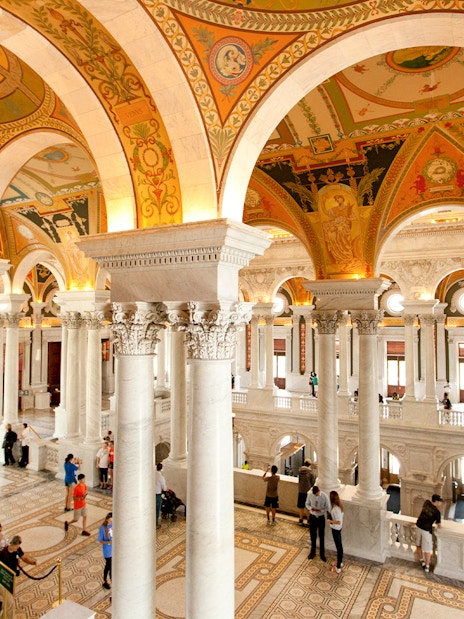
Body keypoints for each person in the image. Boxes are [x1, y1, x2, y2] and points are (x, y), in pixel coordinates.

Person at [0, 534, 37, 618]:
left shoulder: (17, 550)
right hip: (3, 581)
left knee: (8, 602)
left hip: (10, 580)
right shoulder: (2, 553)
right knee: (10, 603)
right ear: (12, 545)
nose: (18, 548)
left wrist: (31, 562)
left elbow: (23, 557)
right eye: (17, 546)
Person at [415, 494, 443, 573]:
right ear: (437, 502)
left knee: (418, 545)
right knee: (427, 549)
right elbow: (439, 525)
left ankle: (422, 561)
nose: (441, 504)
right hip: (426, 530)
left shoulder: (426, 503)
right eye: (440, 502)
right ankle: (427, 566)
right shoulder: (437, 512)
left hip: (418, 526)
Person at [306, 485, 329, 561]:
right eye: (314, 494)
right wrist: (310, 508)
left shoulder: (324, 496)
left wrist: (321, 511)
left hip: (320, 517)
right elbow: (307, 504)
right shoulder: (310, 495)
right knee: (313, 535)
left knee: (321, 536)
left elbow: (327, 507)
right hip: (313, 517)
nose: (316, 495)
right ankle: (312, 553)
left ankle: (322, 554)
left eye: (316, 494)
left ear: (318, 491)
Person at [327, 490, 344, 573]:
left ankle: (338, 568)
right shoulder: (339, 507)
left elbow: (338, 521)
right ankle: (339, 562)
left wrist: (330, 521)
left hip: (336, 529)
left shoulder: (335, 509)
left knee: (339, 547)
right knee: (339, 546)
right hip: (338, 528)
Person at [297, 460, 315, 525]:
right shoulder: (311, 472)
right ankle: (308, 520)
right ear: (310, 465)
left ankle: (300, 520)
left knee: (301, 506)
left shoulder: (300, 471)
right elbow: (313, 482)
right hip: (308, 491)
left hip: (301, 490)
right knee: (308, 507)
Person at [98, 512, 112, 590]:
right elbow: (100, 540)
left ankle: (107, 580)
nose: (112, 522)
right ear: (107, 519)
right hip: (107, 550)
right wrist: (109, 542)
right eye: (110, 521)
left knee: (110, 566)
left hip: (113, 550)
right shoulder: (103, 528)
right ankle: (106, 580)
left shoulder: (113, 525)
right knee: (109, 566)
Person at [155, 462, 167, 529]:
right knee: (157, 510)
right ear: (161, 468)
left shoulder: (152, 474)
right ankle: (155, 524)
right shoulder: (160, 477)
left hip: (150, 495)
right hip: (157, 495)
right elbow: (164, 487)